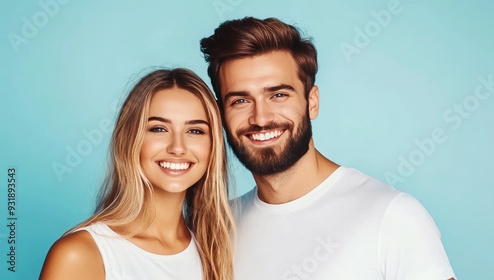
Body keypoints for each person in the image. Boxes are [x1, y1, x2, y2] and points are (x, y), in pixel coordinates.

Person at [200, 17, 456, 280]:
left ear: (312, 102)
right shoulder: (217, 228)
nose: (261, 118)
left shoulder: (393, 216)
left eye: (278, 95)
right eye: (241, 100)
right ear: (220, 113)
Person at [40, 68, 235, 280]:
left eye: (195, 131)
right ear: (130, 140)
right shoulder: (81, 255)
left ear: (213, 145)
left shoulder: (215, 253)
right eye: (159, 129)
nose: (178, 147)